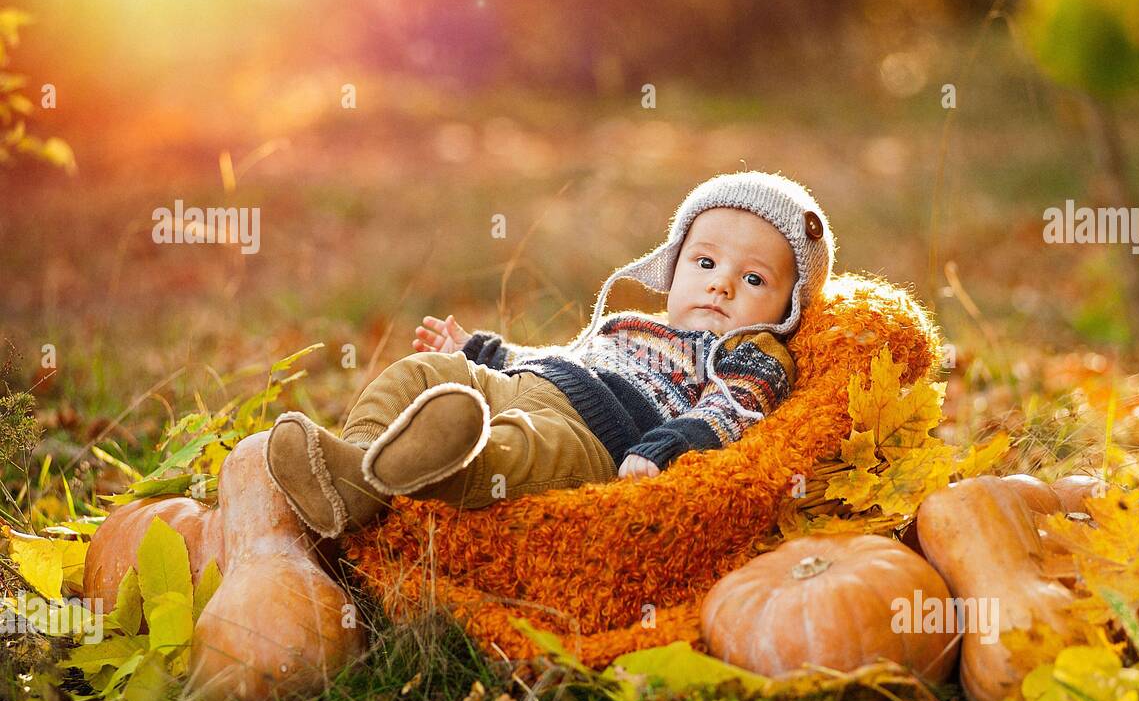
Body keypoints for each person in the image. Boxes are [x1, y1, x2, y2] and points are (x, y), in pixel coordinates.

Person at [264, 170, 836, 537]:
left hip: (596, 440)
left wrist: (668, 446)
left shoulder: (752, 352)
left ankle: (440, 461)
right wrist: (483, 351)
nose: (721, 286)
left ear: (788, 307)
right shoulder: (631, 324)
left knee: (521, 452)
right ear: (674, 265)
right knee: (422, 371)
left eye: (754, 278)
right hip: (534, 383)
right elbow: (565, 356)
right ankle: (354, 468)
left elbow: (733, 409)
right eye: (706, 263)